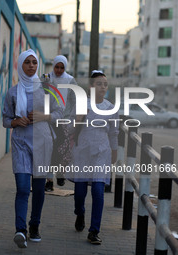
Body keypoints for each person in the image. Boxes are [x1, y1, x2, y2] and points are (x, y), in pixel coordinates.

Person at [2, 49, 62, 248]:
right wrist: (16, 122)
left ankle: (34, 225)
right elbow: (5, 119)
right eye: (27, 62)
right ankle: (21, 230)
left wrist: (43, 116)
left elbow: (60, 112)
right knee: (21, 187)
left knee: (38, 188)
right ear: (20, 65)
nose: (31, 66)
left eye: (34, 62)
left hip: (43, 142)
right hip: (20, 143)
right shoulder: (12, 92)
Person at [70, 70, 118, 244]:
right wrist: (78, 118)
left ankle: (94, 231)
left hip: (102, 151)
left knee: (98, 191)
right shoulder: (83, 104)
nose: (103, 87)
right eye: (99, 84)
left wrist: (114, 151)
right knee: (80, 192)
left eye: (105, 84)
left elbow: (114, 132)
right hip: (82, 150)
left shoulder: (111, 107)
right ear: (91, 86)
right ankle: (80, 213)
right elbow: (70, 127)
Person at [42, 55, 77, 191]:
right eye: (57, 67)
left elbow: (75, 100)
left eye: (62, 67)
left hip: (65, 120)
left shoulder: (70, 80)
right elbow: (40, 95)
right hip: (49, 120)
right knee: (50, 149)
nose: (59, 70)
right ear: (53, 65)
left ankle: (60, 172)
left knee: (62, 149)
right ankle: (49, 180)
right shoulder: (46, 78)